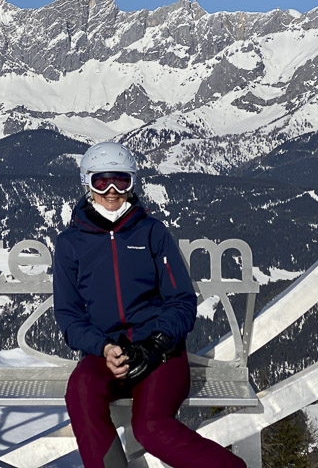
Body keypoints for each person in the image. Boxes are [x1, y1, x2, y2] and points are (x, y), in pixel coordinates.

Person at [53, 141, 246, 468]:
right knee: (81, 390)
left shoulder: (152, 233)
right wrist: (103, 348)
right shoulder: (71, 243)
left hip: (161, 353)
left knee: (149, 426)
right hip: (108, 352)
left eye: (121, 181)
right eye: (102, 181)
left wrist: (156, 344)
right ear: (87, 183)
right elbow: (69, 315)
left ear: (132, 183)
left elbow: (181, 300)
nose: (112, 191)